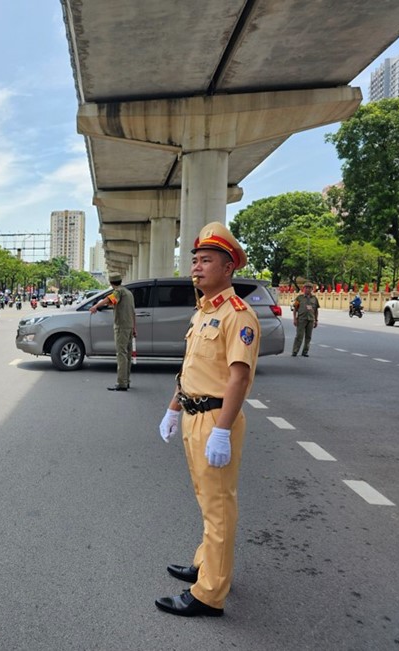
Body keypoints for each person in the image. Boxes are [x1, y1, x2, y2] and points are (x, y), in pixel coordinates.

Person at [155, 221, 260, 618]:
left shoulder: (238, 315)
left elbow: (239, 376)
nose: (196, 268)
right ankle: (206, 563)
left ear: (228, 268)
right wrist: (173, 407)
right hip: (193, 415)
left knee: (219, 507)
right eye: (195, 260)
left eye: (206, 261)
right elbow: (192, 370)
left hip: (217, 419)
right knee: (207, 501)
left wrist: (221, 431)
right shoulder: (203, 313)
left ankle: (209, 593)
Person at [90, 273, 135, 391]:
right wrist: (134, 328)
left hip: (121, 327)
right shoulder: (128, 293)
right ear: (120, 280)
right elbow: (132, 311)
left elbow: (109, 299)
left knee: (121, 354)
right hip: (129, 327)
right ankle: (126, 381)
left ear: (111, 283)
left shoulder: (118, 291)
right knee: (127, 355)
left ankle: (121, 383)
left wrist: (95, 306)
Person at [292, 281, 319, 357]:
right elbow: (295, 309)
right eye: (306, 288)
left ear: (312, 289)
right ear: (303, 289)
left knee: (308, 337)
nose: (308, 289)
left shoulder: (314, 299)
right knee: (299, 336)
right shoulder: (299, 298)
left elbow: (316, 310)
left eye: (309, 288)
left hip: (310, 320)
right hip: (301, 319)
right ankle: (295, 351)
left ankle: (305, 351)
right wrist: (294, 319)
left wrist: (316, 320)